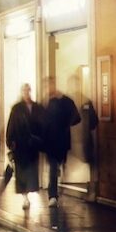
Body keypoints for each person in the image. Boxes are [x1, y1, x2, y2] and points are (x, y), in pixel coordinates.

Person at [43, 76, 82, 207]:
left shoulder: (64, 101)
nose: (48, 88)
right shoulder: (46, 102)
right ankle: (53, 195)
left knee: (57, 165)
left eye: (49, 85)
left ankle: (55, 191)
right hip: (51, 142)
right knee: (54, 167)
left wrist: (65, 125)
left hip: (60, 140)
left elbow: (76, 117)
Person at [6, 82, 45, 211]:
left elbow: (42, 126)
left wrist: (41, 140)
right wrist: (10, 141)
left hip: (32, 145)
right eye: (24, 90)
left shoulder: (37, 107)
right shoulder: (16, 109)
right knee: (22, 172)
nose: (26, 93)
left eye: (28, 90)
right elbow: (11, 125)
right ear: (22, 92)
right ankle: (25, 198)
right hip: (21, 145)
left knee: (32, 171)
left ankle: (29, 193)